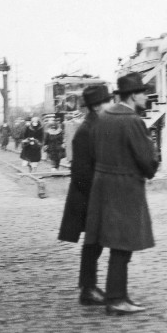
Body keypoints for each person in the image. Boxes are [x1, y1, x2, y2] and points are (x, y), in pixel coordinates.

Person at [84, 73, 158, 316]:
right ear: (134, 95)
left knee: (115, 243)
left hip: (103, 185)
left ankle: (118, 296)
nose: (147, 97)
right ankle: (116, 299)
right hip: (125, 187)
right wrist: (151, 162)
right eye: (144, 93)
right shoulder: (132, 120)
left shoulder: (104, 116)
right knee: (123, 246)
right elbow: (147, 161)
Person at [57, 84, 113, 306]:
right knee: (93, 243)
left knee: (96, 242)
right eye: (107, 101)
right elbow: (80, 173)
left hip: (96, 194)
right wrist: (97, 195)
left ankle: (88, 287)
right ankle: (87, 289)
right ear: (97, 106)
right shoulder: (86, 131)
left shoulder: (96, 126)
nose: (110, 105)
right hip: (89, 196)